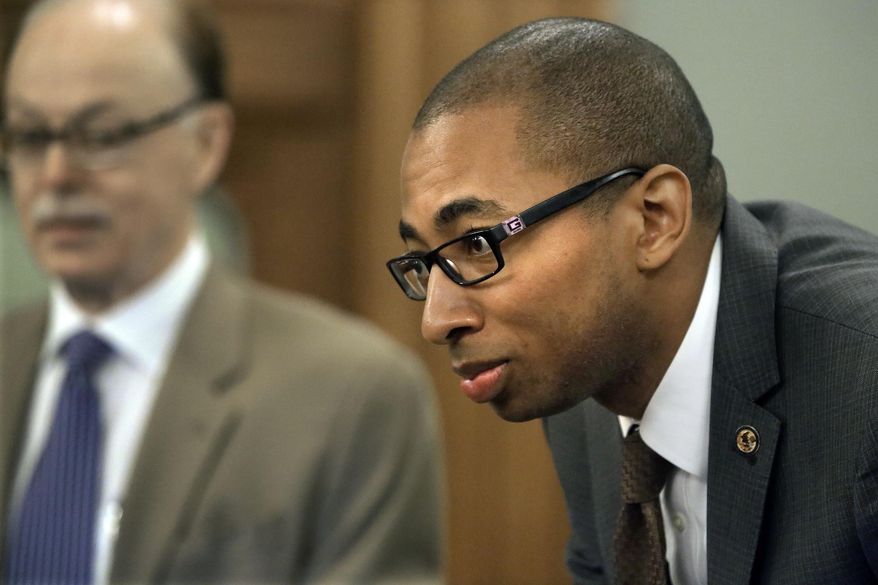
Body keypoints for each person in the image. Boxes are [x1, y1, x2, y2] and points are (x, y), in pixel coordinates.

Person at [386, 16, 878, 585]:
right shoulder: (581, 377)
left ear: (653, 219)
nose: (436, 320)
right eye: (425, 262)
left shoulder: (863, 383)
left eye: (477, 243)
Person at [0, 1, 443, 584]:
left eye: (101, 133)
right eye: (30, 135)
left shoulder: (352, 395)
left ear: (205, 143)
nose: (55, 173)